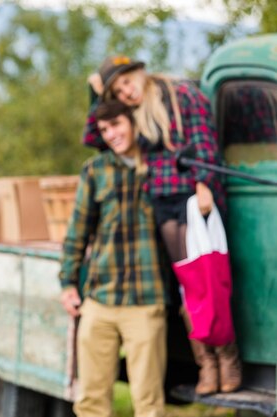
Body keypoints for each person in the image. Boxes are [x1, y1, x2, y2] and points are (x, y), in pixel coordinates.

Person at [84, 56, 241, 395]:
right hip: (162, 201)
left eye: (126, 83)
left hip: (193, 199)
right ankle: (206, 364)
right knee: (187, 288)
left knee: (208, 280)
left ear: (138, 74)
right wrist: (96, 96)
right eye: (117, 90)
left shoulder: (181, 95)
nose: (125, 92)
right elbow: (94, 138)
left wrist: (204, 184)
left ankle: (227, 358)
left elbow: (204, 144)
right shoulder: (131, 114)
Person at [60, 100, 167, 417]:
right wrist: (67, 282)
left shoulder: (160, 168)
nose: (112, 134)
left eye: (116, 125)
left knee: (148, 403)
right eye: (104, 130)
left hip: (146, 301)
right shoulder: (96, 171)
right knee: (91, 401)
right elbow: (77, 232)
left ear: (133, 121)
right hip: (101, 300)